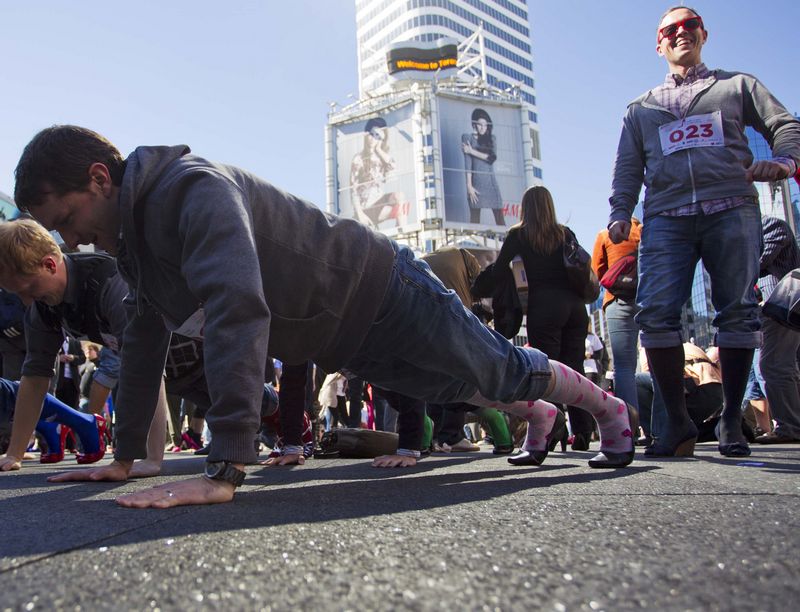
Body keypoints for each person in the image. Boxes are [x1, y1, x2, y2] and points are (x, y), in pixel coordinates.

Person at [13, 125, 637, 509]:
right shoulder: (136, 252)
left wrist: (227, 465)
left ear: (100, 178)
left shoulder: (189, 189)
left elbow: (237, 307)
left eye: (67, 220)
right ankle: (540, 413)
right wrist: (127, 457)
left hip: (384, 287)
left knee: (498, 369)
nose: (74, 242)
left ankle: (606, 407)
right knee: (453, 385)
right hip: (341, 334)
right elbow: (142, 342)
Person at [608, 6, 800, 457]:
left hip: (732, 208)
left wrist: (786, 162)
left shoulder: (737, 86)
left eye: (688, 25)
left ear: (703, 34)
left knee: (737, 310)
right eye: (669, 30)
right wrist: (620, 210)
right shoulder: (641, 109)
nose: (680, 34)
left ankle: (732, 418)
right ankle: (677, 424)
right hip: (666, 218)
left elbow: (785, 123)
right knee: (654, 314)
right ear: (659, 44)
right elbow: (626, 168)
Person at [0, 219, 167, 476]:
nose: (26, 301)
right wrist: (14, 453)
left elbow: (147, 366)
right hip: (160, 365)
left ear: (49, 264)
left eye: (30, 288)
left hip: (196, 358)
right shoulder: (42, 308)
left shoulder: (112, 283)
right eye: (16, 294)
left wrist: (147, 459)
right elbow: (34, 378)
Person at [494, 186, 597, 452]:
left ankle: (553, 427)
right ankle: (584, 432)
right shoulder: (565, 233)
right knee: (575, 369)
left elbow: (499, 267)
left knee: (546, 371)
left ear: (525, 207)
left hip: (544, 307)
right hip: (575, 306)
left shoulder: (518, 235)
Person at [756, 216, 800, 443]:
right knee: (784, 365)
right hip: (778, 306)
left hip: (781, 304)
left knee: (773, 364)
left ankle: (790, 426)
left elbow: (758, 262)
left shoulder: (770, 225)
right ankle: (792, 424)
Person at [592, 217, 642, 412]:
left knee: (623, 367)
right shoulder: (644, 232)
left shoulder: (606, 235)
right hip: (646, 299)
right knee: (655, 361)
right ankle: (660, 429)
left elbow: (597, 272)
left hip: (618, 300)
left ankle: (629, 425)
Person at [348, 117, 406, 229]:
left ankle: (402, 233)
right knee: (399, 211)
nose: (373, 139)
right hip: (366, 208)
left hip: (379, 202)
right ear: (366, 134)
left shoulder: (380, 157)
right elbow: (352, 189)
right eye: (372, 134)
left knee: (400, 197)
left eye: (378, 136)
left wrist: (379, 150)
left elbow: (393, 168)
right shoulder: (358, 159)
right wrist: (360, 214)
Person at [462, 108, 504, 225]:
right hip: (475, 185)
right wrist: (469, 186)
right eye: (480, 124)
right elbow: (468, 164)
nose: (483, 128)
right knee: (475, 221)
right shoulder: (467, 137)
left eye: (485, 125)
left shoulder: (491, 139)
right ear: (474, 124)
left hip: (491, 183)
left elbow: (491, 158)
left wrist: (471, 151)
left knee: (500, 221)